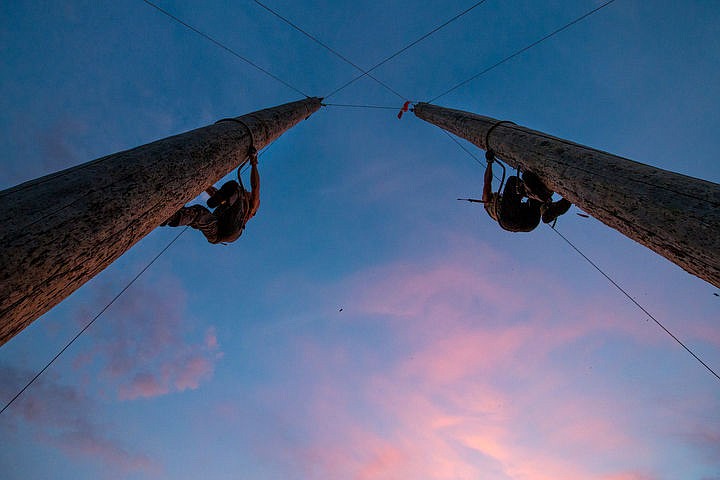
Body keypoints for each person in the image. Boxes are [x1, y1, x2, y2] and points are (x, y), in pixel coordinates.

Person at [163, 147, 260, 244]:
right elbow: (215, 193)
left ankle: (221, 197)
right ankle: (171, 217)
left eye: (248, 192)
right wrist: (202, 181)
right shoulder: (230, 200)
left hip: (231, 230)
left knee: (235, 188)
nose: (247, 191)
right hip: (215, 233)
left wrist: (254, 162)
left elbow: (255, 187)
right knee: (199, 213)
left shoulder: (250, 206)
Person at [481, 151, 571, 232]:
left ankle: (548, 210)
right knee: (512, 182)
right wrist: (489, 162)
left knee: (534, 200)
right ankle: (541, 199)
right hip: (511, 220)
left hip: (529, 224)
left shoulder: (506, 205)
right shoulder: (487, 203)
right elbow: (487, 183)